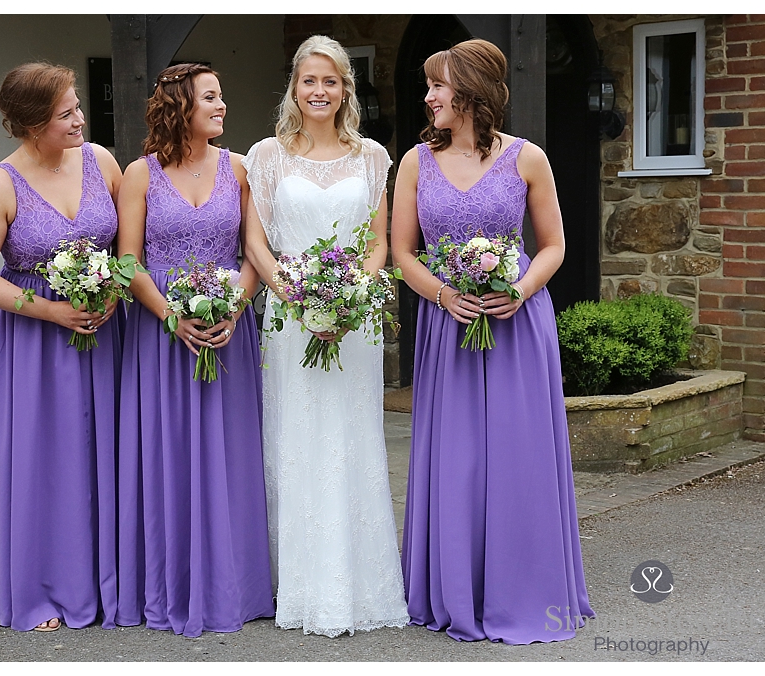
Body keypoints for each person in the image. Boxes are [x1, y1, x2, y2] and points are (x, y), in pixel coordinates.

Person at [390, 39, 595, 645]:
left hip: (517, 327)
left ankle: (521, 588)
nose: (428, 97)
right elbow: (402, 251)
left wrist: (521, 288)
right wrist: (442, 295)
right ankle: (455, 589)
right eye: (428, 86)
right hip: (445, 326)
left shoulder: (528, 159)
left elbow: (554, 245)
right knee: (455, 458)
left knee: (515, 456)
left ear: (472, 91)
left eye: (438, 86)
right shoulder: (414, 163)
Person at [242, 35, 409, 638]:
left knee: (352, 438)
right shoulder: (264, 156)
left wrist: (351, 297)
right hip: (288, 319)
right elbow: (255, 238)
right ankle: (299, 584)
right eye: (309, 81)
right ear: (294, 87)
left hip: (352, 322)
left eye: (331, 81)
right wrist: (283, 286)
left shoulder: (371, 158)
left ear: (346, 89)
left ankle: (359, 582)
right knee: (294, 435)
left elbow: (378, 243)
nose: (319, 91)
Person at [0, 62, 124, 632]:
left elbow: (132, 247)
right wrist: (50, 309)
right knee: (44, 463)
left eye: (78, 107)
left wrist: (116, 290)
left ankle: (110, 584)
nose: (81, 119)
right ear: (32, 125)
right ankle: (40, 589)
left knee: (106, 453)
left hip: (105, 334)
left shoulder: (101, 162)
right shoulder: (0, 183)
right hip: (33, 342)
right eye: (66, 114)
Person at [114, 63, 274, 638]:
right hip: (162, 338)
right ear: (181, 105)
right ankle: (171, 584)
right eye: (211, 97)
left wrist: (235, 307)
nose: (222, 107)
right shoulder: (140, 174)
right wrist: (171, 316)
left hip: (230, 332)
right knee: (167, 455)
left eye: (222, 97)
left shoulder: (241, 169)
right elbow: (128, 261)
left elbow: (254, 252)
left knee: (231, 456)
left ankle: (237, 584)